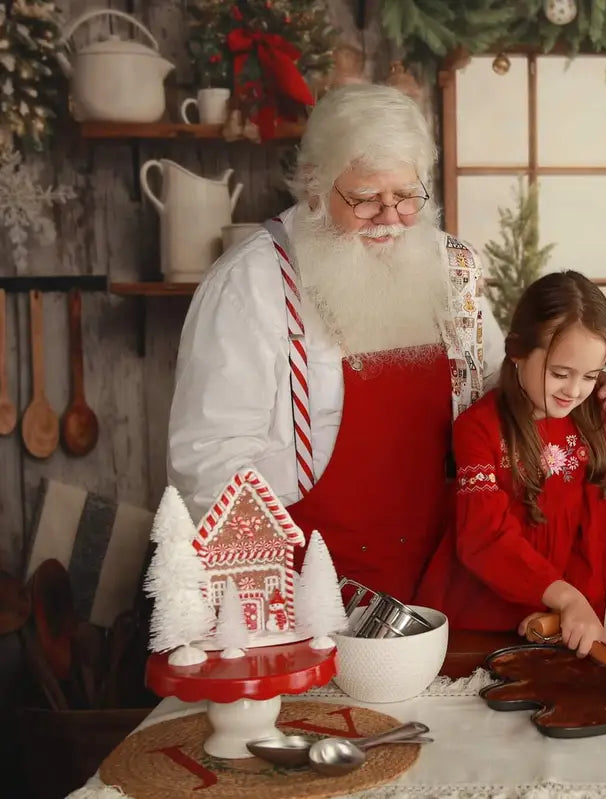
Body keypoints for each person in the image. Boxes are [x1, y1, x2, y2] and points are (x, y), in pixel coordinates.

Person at [168, 84, 515, 602]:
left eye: (406, 196)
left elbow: (494, 387)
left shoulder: (451, 268)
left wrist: (565, 386)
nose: (391, 217)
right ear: (314, 186)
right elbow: (211, 463)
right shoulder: (251, 286)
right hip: (308, 589)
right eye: (366, 199)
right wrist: (272, 605)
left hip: (444, 581)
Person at [416, 271, 606, 657]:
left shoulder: (592, 423)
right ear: (516, 350)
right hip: (474, 623)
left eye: (590, 376)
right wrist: (564, 598)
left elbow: (593, 539)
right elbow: (484, 537)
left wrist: (579, 614)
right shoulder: (477, 428)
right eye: (560, 373)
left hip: (550, 624)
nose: (574, 390)